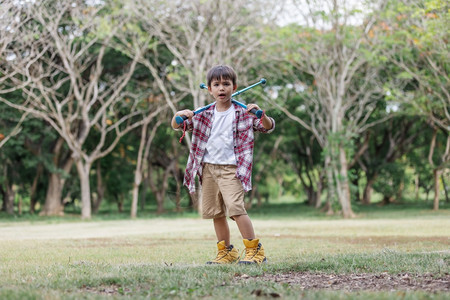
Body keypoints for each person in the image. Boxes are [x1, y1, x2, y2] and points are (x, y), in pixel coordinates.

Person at [171, 65, 275, 265]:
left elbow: (267, 126)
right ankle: (226, 252)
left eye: (226, 84)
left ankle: (255, 251)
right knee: (215, 212)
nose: (221, 88)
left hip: (232, 169)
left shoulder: (244, 112)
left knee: (235, 209)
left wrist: (261, 114)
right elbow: (177, 125)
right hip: (208, 168)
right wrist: (179, 115)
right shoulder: (203, 114)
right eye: (216, 85)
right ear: (209, 89)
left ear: (234, 87)